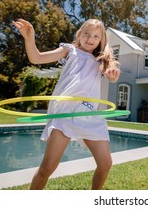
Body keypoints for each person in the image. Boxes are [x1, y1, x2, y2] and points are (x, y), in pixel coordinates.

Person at [12, 18, 120, 190]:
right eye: (86, 33)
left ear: (101, 40)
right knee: (47, 168)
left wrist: (112, 76)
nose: (90, 39)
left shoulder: (102, 60)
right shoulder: (69, 51)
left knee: (106, 164)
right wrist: (29, 39)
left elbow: (111, 75)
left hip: (90, 116)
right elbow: (36, 58)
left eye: (95, 36)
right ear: (79, 34)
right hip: (65, 113)